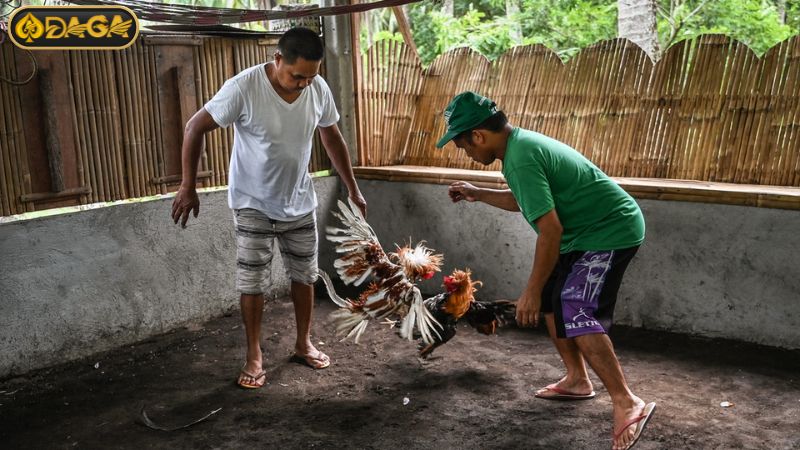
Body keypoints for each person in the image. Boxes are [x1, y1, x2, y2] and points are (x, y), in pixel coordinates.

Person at [438, 91, 655, 450]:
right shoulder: (517, 149)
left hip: (610, 231)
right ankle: (576, 379)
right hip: (582, 234)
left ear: (478, 136)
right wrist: (478, 192)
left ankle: (627, 401)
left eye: (463, 146)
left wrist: (531, 290)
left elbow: (550, 231)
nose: (467, 154)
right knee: (556, 303)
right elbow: (526, 200)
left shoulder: (520, 157)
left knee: (574, 306)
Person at [171, 27, 366, 389]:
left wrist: (353, 187)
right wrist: (188, 186)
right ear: (278, 60)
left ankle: (303, 343)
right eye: (297, 76)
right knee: (252, 281)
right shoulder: (244, 87)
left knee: (305, 276)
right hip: (252, 203)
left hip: (299, 200)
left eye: (311, 76)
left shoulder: (316, 88)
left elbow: (331, 135)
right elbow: (194, 127)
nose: (305, 84)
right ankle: (254, 355)